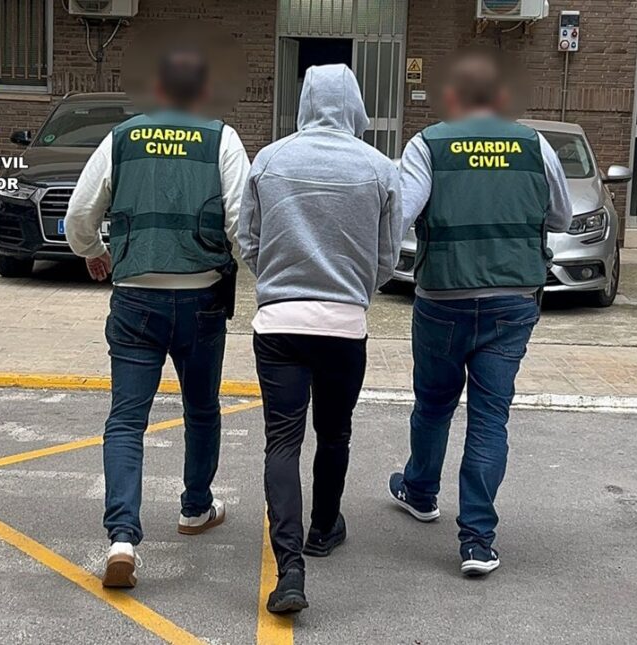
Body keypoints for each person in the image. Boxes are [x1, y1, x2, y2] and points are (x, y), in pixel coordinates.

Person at [64, 47, 250, 588]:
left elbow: (79, 215)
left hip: (134, 299)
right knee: (201, 408)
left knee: (126, 419)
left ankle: (122, 539)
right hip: (202, 298)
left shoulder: (121, 138)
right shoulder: (221, 139)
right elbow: (241, 222)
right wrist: (253, 270)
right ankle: (195, 508)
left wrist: (93, 251)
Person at [388, 49, 573, 577]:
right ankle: (477, 541)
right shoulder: (535, 145)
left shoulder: (428, 144)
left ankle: (421, 491)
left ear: (452, 97)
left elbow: (400, 215)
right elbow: (561, 216)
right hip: (513, 299)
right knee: (490, 417)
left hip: (443, 299)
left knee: (433, 404)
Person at [239, 64, 402, 613]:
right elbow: (387, 255)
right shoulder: (379, 167)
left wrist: (276, 280)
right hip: (343, 325)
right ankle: (324, 527)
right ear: (354, 105)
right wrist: (355, 289)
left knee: (282, 442)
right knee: (334, 433)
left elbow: (248, 239)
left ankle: (289, 569)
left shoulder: (270, 160)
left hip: (279, 324)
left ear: (306, 102)